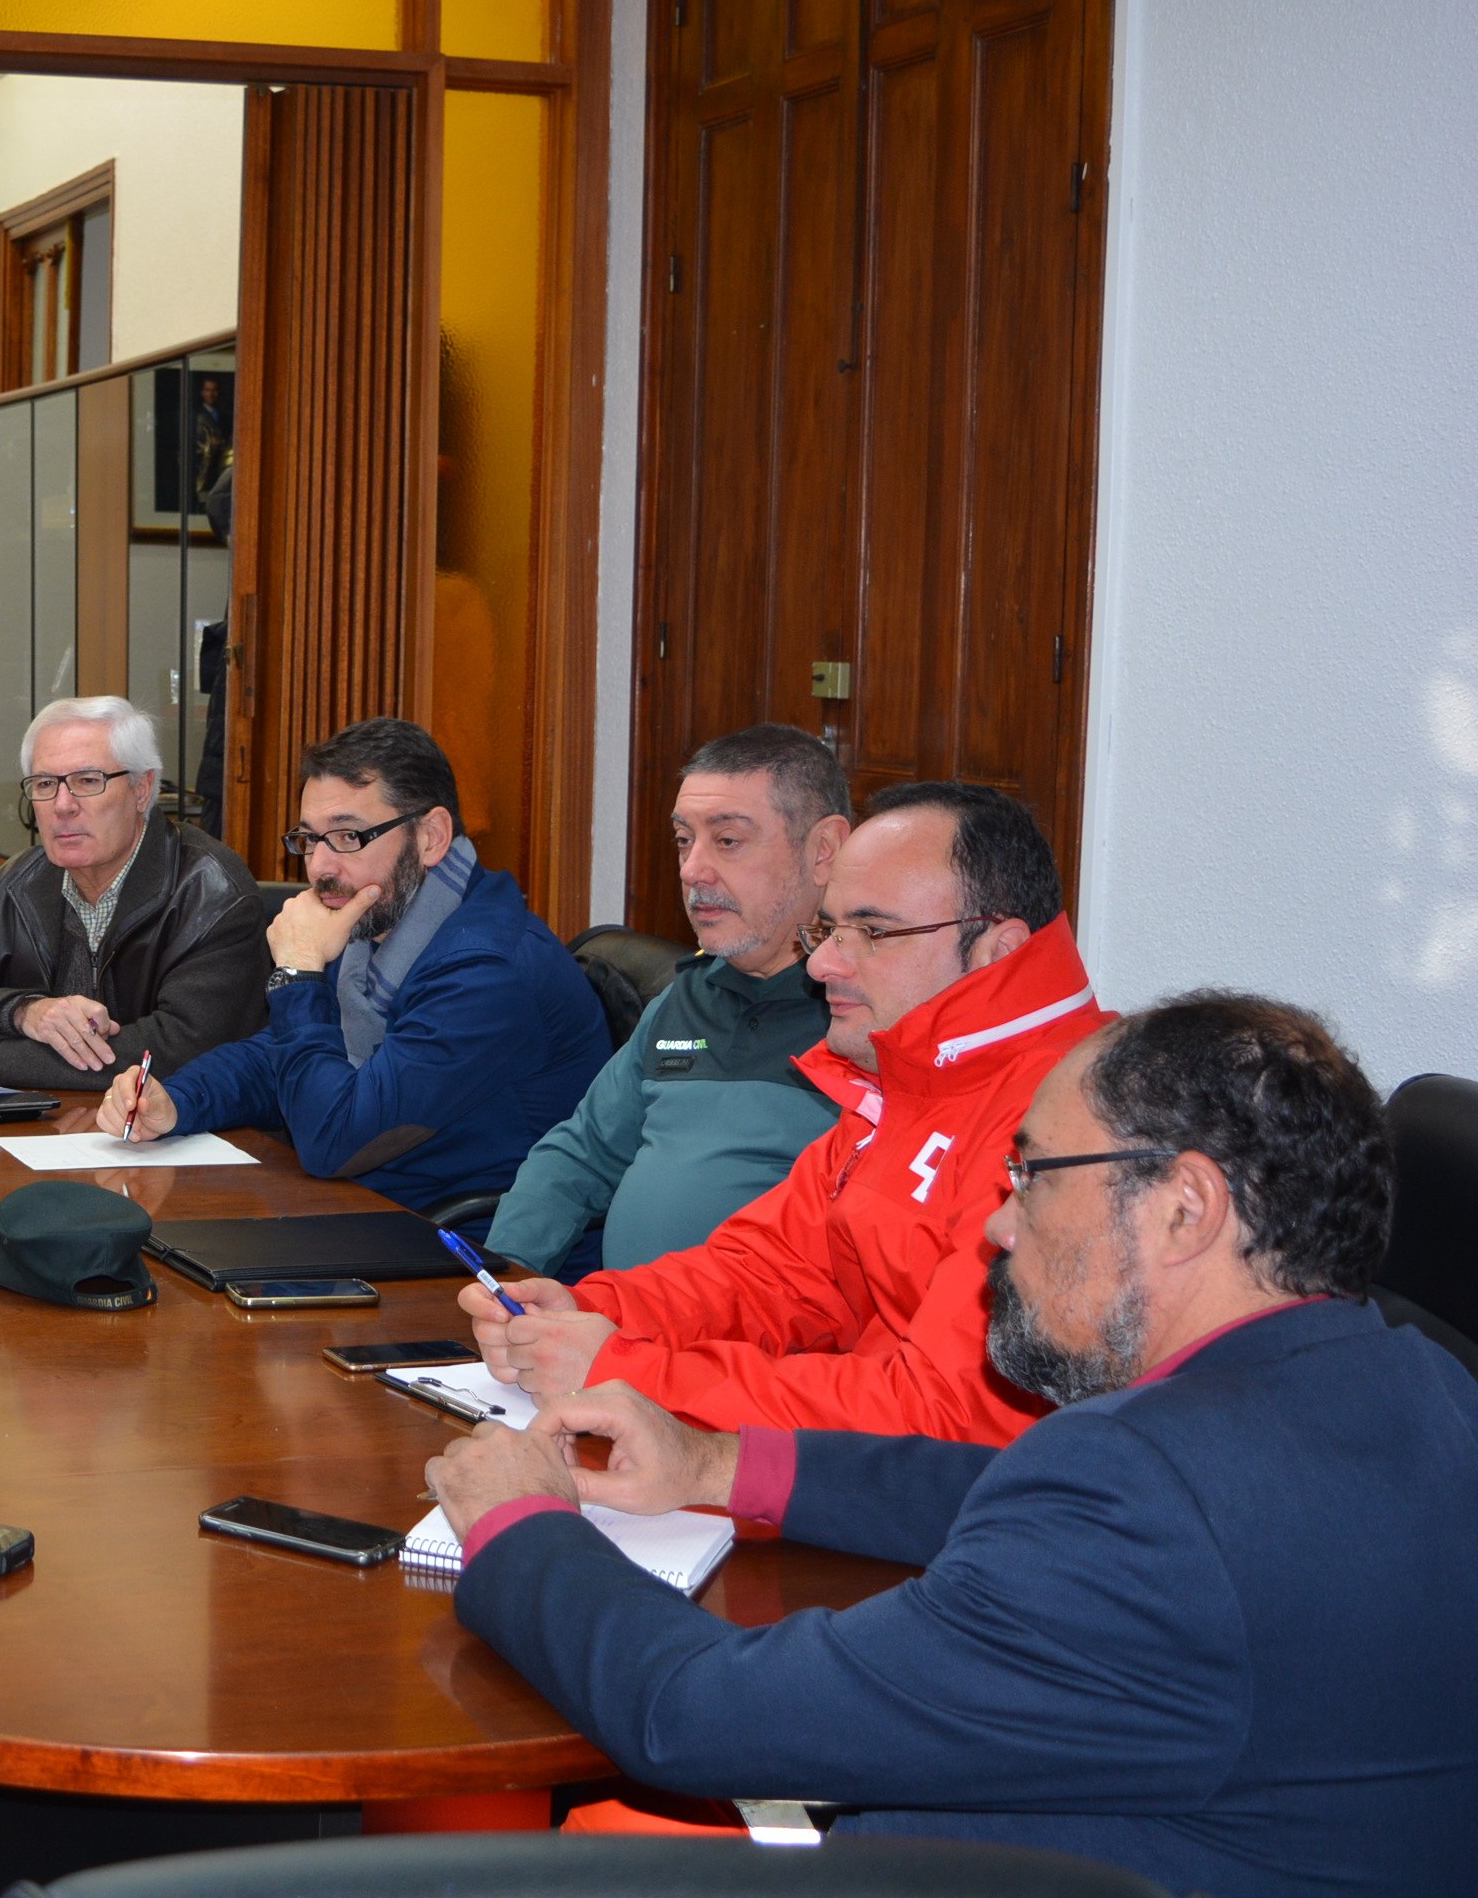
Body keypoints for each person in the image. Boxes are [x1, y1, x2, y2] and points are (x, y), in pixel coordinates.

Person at [428, 993, 1478, 1897]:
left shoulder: (1142, 1488)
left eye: (1034, 1173)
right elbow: (1027, 1494)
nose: (998, 1225)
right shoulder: (1423, 1384)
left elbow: (694, 1711)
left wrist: (522, 1523)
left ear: (1183, 1207)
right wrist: (716, 1463)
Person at [468, 781, 1108, 1443]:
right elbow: (773, 1272)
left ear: (997, 952)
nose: (824, 962)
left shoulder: (1070, 1121)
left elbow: (948, 1413)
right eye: (829, 928)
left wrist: (624, 1368)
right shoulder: (901, 1078)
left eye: (873, 932)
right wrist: (588, 1309)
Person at [102, 719, 608, 1215]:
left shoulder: (486, 971)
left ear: (430, 837)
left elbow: (335, 1141)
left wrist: (299, 973)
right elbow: (279, 1058)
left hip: (469, 1254)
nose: (320, 866)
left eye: (347, 837)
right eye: (309, 839)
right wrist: (175, 1101)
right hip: (371, 1210)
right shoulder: (383, 921)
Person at [485, 725, 848, 1281]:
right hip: (624, 1334)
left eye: (727, 840)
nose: (691, 870)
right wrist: (505, 1277)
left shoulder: (864, 1014)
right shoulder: (688, 996)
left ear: (823, 851)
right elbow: (581, 1156)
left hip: (763, 1355)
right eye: (684, 839)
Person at [0, 695, 266, 1089]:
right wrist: (24, 1012)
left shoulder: (211, 890)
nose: (62, 805)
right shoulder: (14, 888)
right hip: (43, 1131)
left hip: (182, 1138)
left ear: (142, 789)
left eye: (87, 781)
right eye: (45, 784)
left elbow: (183, 1048)